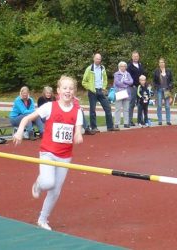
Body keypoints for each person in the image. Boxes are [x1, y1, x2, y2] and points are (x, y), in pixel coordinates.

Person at [13, 75, 83, 231]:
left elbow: (78, 131)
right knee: (48, 183)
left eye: (71, 89)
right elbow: (27, 118)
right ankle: (39, 184)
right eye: (65, 88)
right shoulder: (50, 107)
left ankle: (42, 219)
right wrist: (19, 132)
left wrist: (78, 135)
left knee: (55, 191)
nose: (68, 91)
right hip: (48, 152)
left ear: (74, 92)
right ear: (58, 90)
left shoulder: (77, 112)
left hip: (65, 156)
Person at [82, 53, 119, 132]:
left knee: (108, 108)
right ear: (94, 59)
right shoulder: (89, 69)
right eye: (97, 58)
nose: (98, 60)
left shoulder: (102, 68)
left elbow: (105, 79)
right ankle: (94, 127)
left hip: (100, 91)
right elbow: (84, 82)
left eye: (99, 59)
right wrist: (91, 88)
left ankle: (110, 127)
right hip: (92, 91)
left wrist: (103, 88)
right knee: (92, 110)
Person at [127, 51, 146, 126]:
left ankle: (140, 120)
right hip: (133, 87)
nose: (136, 57)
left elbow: (143, 75)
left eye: (137, 56)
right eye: (134, 56)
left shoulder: (140, 65)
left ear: (139, 57)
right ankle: (129, 120)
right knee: (132, 104)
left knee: (140, 103)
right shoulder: (129, 66)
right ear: (132, 57)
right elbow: (128, 77)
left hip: (140, 87)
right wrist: (132, 84)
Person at [113, 61, 134, 128]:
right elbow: (117, 83)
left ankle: (126, 123)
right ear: (119, 67)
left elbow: (131, 82)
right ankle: (116, 123)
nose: (123, 67)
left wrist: (124, 82)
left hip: (127, 93)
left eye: (124, 66)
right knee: (118, 108)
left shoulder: (128, 74)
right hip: (119, 92)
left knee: (126, 109)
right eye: (122, 66)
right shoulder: (116, 74)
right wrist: (125, 85)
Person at [153, 58, 173, 125]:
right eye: (160, 62)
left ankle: (168, 120)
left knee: (167, 106)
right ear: (159, 64)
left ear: (165, 63)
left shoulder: (168, 71)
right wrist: (156, 87)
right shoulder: (156, 71)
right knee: (159, 105)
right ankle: (160, 120)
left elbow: (171, 81)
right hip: (159, 90)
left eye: (163, 62)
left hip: (166, 90)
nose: (161, 63)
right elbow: (154, 82)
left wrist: (170, 87)